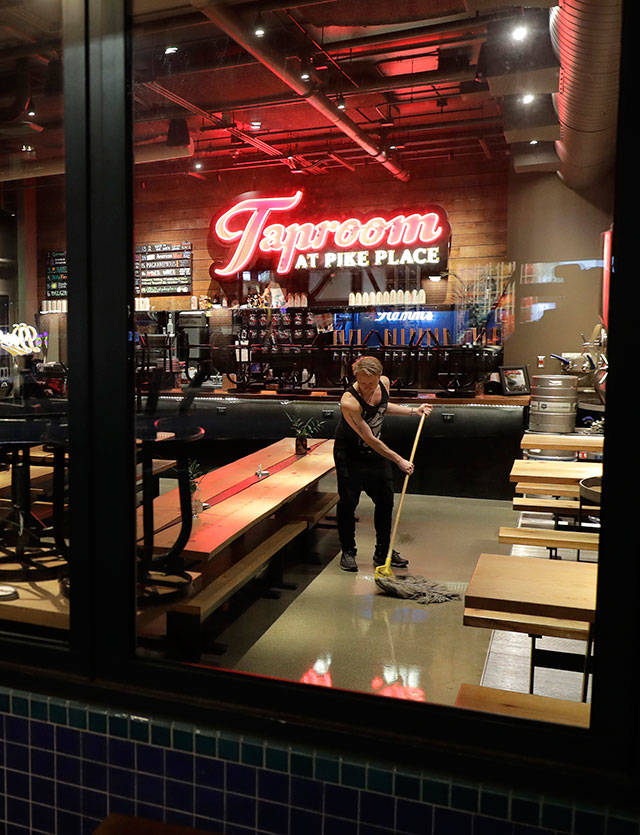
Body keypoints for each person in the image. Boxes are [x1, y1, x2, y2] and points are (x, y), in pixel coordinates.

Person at [333, 355, 432, 572]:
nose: (367, 388)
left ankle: (383, 552)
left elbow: (383, 407)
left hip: (375, 454)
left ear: (380, 377)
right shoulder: (349, 401)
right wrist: (399, 460)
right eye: (363, 383)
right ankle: (348, 552)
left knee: (385, 502)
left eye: (372, 383)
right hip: (350, 454)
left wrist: (413, 411)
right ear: (355, 377)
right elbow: (369, 438)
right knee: (348, 503)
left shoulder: (384, 383)